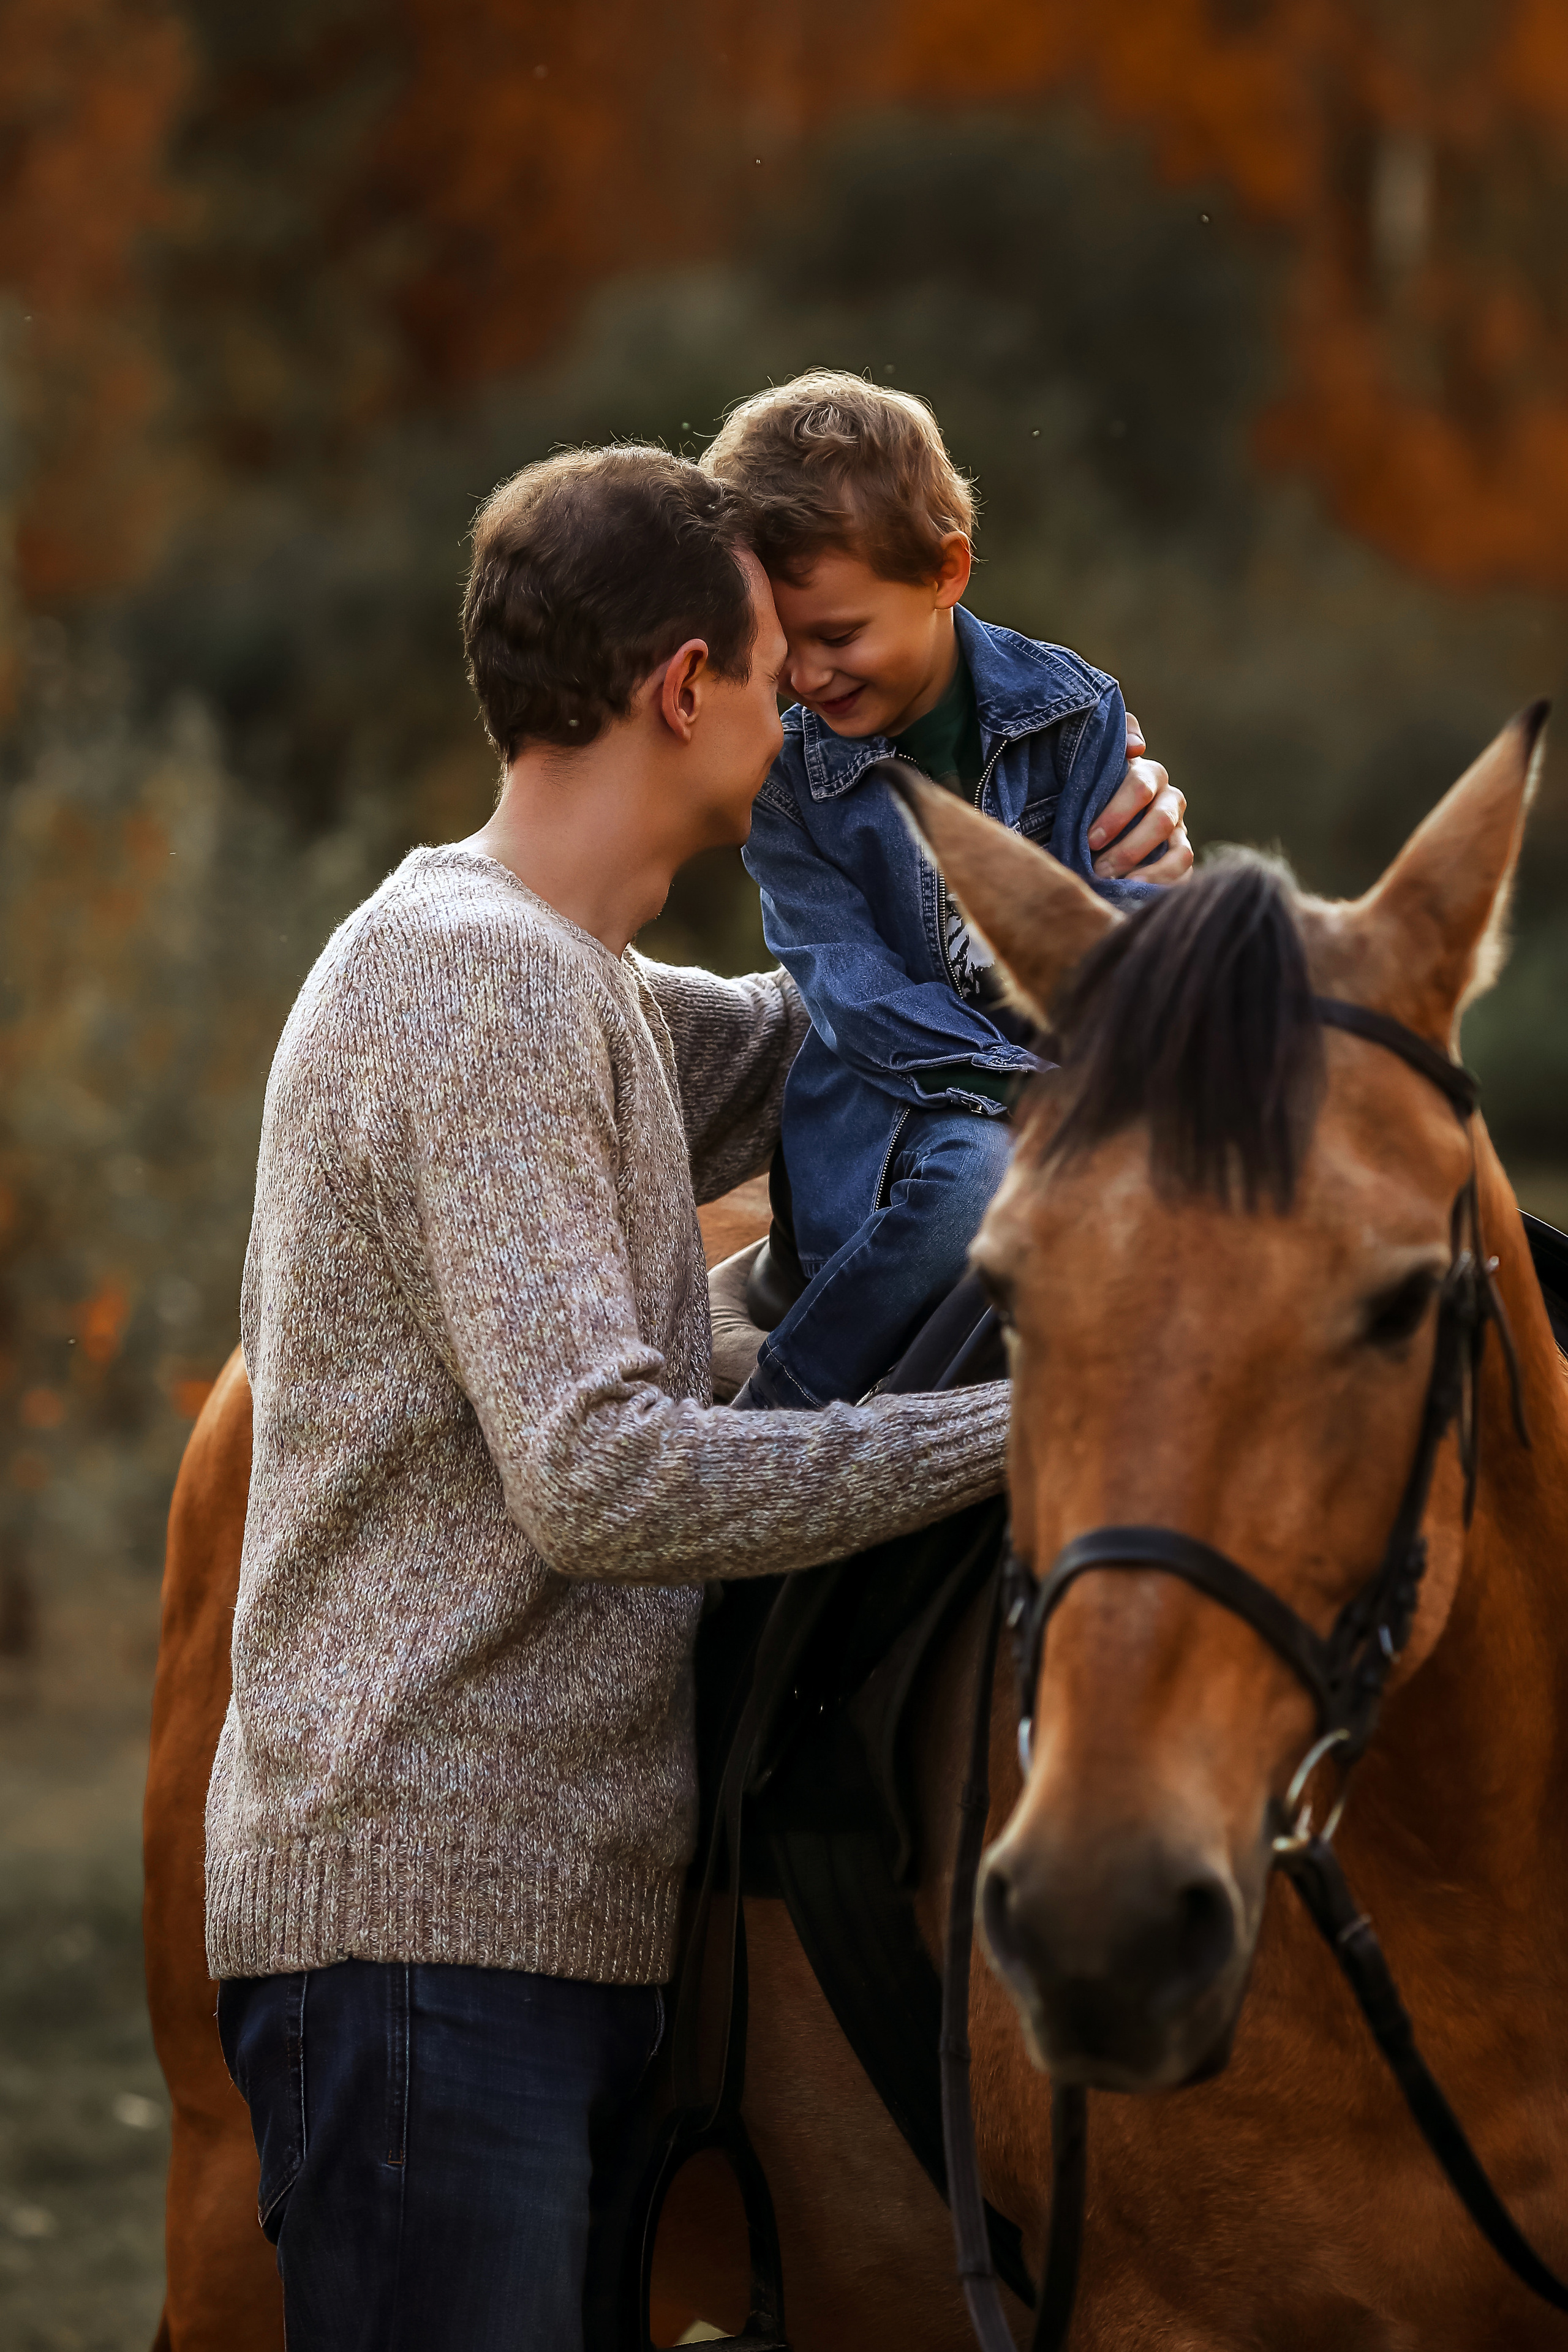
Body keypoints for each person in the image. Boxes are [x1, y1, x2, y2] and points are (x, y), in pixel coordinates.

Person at [204, 446, 1015, 2352]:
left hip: (516, 1931)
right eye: (770, 669)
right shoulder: (474, 987)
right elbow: (601, 1483)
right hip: (426, 1934)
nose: (800, 707)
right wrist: (1030, 1437)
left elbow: (829, 1054)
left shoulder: (566, 984)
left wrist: (1085, 905)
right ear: (680, 689)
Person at [703, 371, 1192, 1411]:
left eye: (838, 637)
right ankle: (774, 1417)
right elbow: (853, 993)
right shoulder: (786, 781)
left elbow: (1130, 919)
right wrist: (1031, 1090)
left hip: (1078, 1100)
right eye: (787, 654)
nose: (810, 680)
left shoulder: (1072, 714)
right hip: (890, 1135)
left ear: (946, 572)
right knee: (982, 1178)